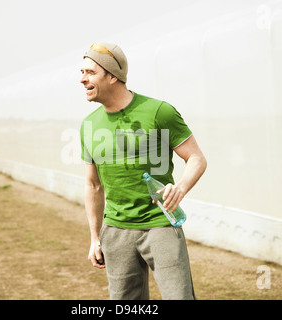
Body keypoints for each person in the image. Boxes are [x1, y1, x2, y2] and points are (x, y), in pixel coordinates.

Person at [79, 42, 207, 300]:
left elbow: (196, 158)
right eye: (81, 73)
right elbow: (93, 185)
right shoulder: (88, 125)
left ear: (112, 75)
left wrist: (179, 189)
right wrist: (95, 237)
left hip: (160, 224)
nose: (82, 79)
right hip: (115, 230)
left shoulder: (160, 112)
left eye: (90, 72)